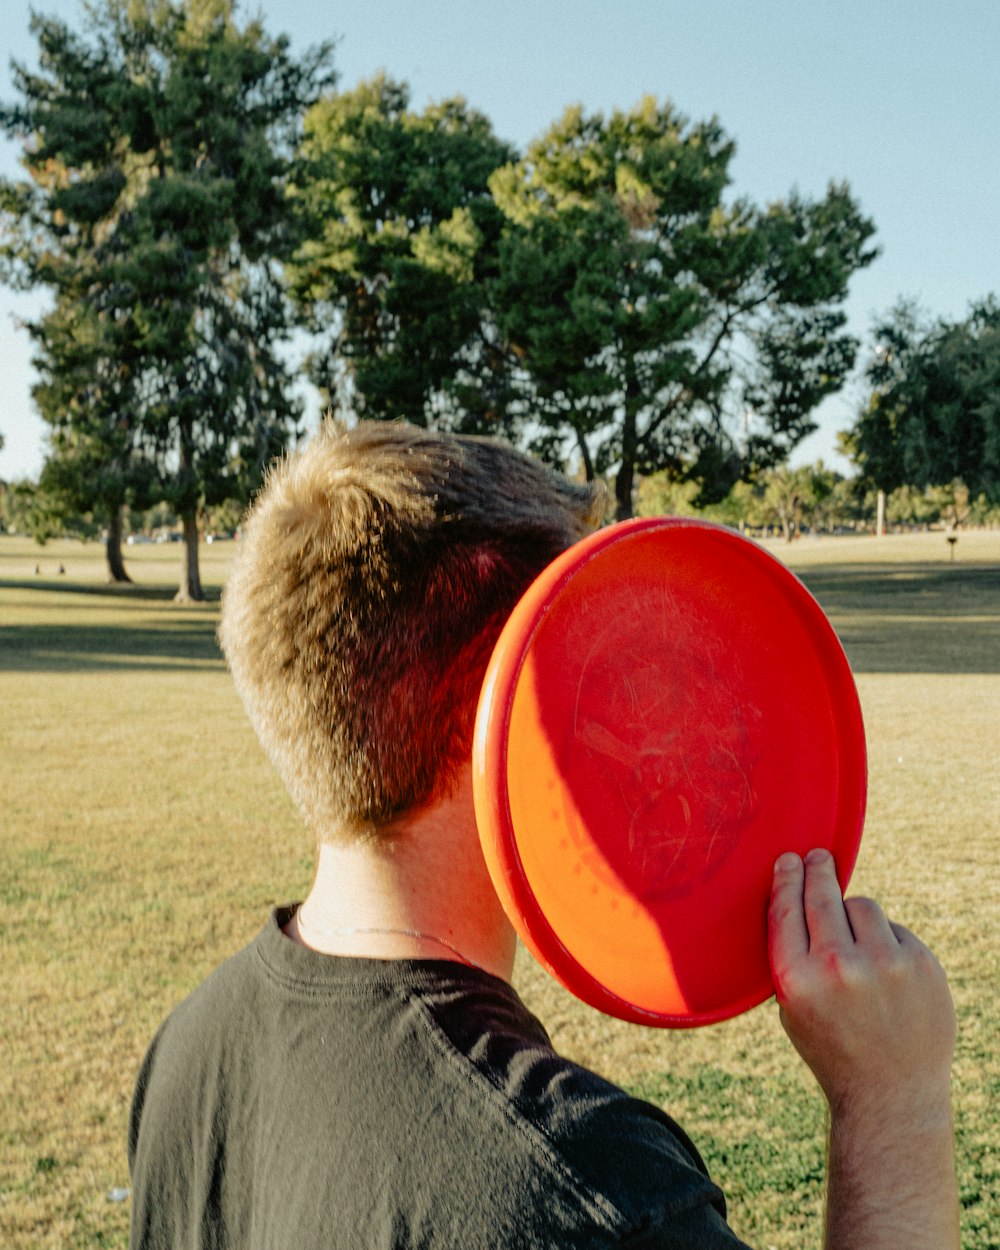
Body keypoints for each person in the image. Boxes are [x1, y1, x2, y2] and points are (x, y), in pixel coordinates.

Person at [128, 420, 959, 1249]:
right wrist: (893, 1106)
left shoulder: (189, 1054)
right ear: (513, 698)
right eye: (594, 639)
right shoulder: (589, 1191)